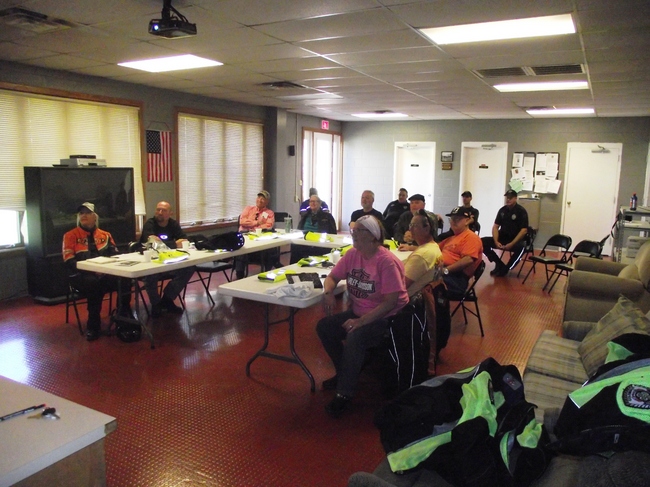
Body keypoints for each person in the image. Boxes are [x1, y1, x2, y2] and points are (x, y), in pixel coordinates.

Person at [317, 215, 409, 417]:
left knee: (355, 336)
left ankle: (344, 393)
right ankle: (344, 372)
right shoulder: (353, 254)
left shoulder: (386, 262)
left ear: (373, 236)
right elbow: (332, 277)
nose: (354, 234)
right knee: (325, 327)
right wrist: (328, 292)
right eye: (354, 230)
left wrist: (360, 322)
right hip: (360, 311)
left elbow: (390, 302)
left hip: (386, 317)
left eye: (359, 231)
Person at [62, 202, 132, 341]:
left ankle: (123, 316)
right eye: (81, 213)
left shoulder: (105, 235)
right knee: (93, 283)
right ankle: (93, 325)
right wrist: (92, 270)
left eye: (87, 213)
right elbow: (69, 261)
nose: (84, 215)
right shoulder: (70, 235)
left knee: (125, 278)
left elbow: (115, 255)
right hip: (81, 276)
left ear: (95, 217)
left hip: (105, 273)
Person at [140, 201, 194, 317]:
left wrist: (164, 243)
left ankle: (167, 299)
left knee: (189, 268)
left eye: (163, 210)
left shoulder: (173, 224)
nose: (160, 212)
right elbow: (153, 243)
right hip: (151, 262)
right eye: (158, 210)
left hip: (169, 261)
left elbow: (185, 240)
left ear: (170, 213)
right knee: (150, 274)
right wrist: (174, 244)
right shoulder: (150, 224)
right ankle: (156, 303)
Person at [481, 190, 529, 277]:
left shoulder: (521, 211)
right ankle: (498, 263)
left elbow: (524, 231)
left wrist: (512, 244)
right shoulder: (502, 210)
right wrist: (496, 241)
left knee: (522, 248)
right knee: (482, 242)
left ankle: (506, 268)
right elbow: (495, 227)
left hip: (515, 240)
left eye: (510, 198)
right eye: (507, 197)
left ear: (515, 198)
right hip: (503, 237)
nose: (508, 199)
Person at [439, 207, 484, 295]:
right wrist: (412, 248)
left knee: (422, 280)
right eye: (451, 219)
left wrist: (446, 270)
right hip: (445, 272)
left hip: (456, 278)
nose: (453, 222)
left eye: (457, 219)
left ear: (467, 221)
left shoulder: (471, 238)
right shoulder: (452, 238)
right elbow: (434, 248)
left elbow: (468, 260)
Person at [402, 210, 444, 296]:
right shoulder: (433, 247)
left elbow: (400, 286)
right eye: (410, 225)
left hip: (405, 301)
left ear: (427, 229)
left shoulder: (422, 255)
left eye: (414, 225)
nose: (410, 229)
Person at [236, 190, 276, 279]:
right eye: (259, 197)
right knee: (240, 249)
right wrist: (257, 223)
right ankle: (239, 275)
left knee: (270, 250)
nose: (260, 200)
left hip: (259, 238)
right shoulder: (248, 209)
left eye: (263, 199)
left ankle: (266, 273)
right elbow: (242, 222)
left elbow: (268, 225)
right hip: (245, 236)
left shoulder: (269, 213)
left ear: (267, 202)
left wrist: (251, 226)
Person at [291, 194, 338, 263]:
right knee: (294, 246)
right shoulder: (305, 216)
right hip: (305, 241)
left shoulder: (327, 217)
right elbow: (299, 229)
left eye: (315, 201)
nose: (312, 203)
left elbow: (333, 233)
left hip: (320, 243)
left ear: (319, 203)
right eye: (311, 201)